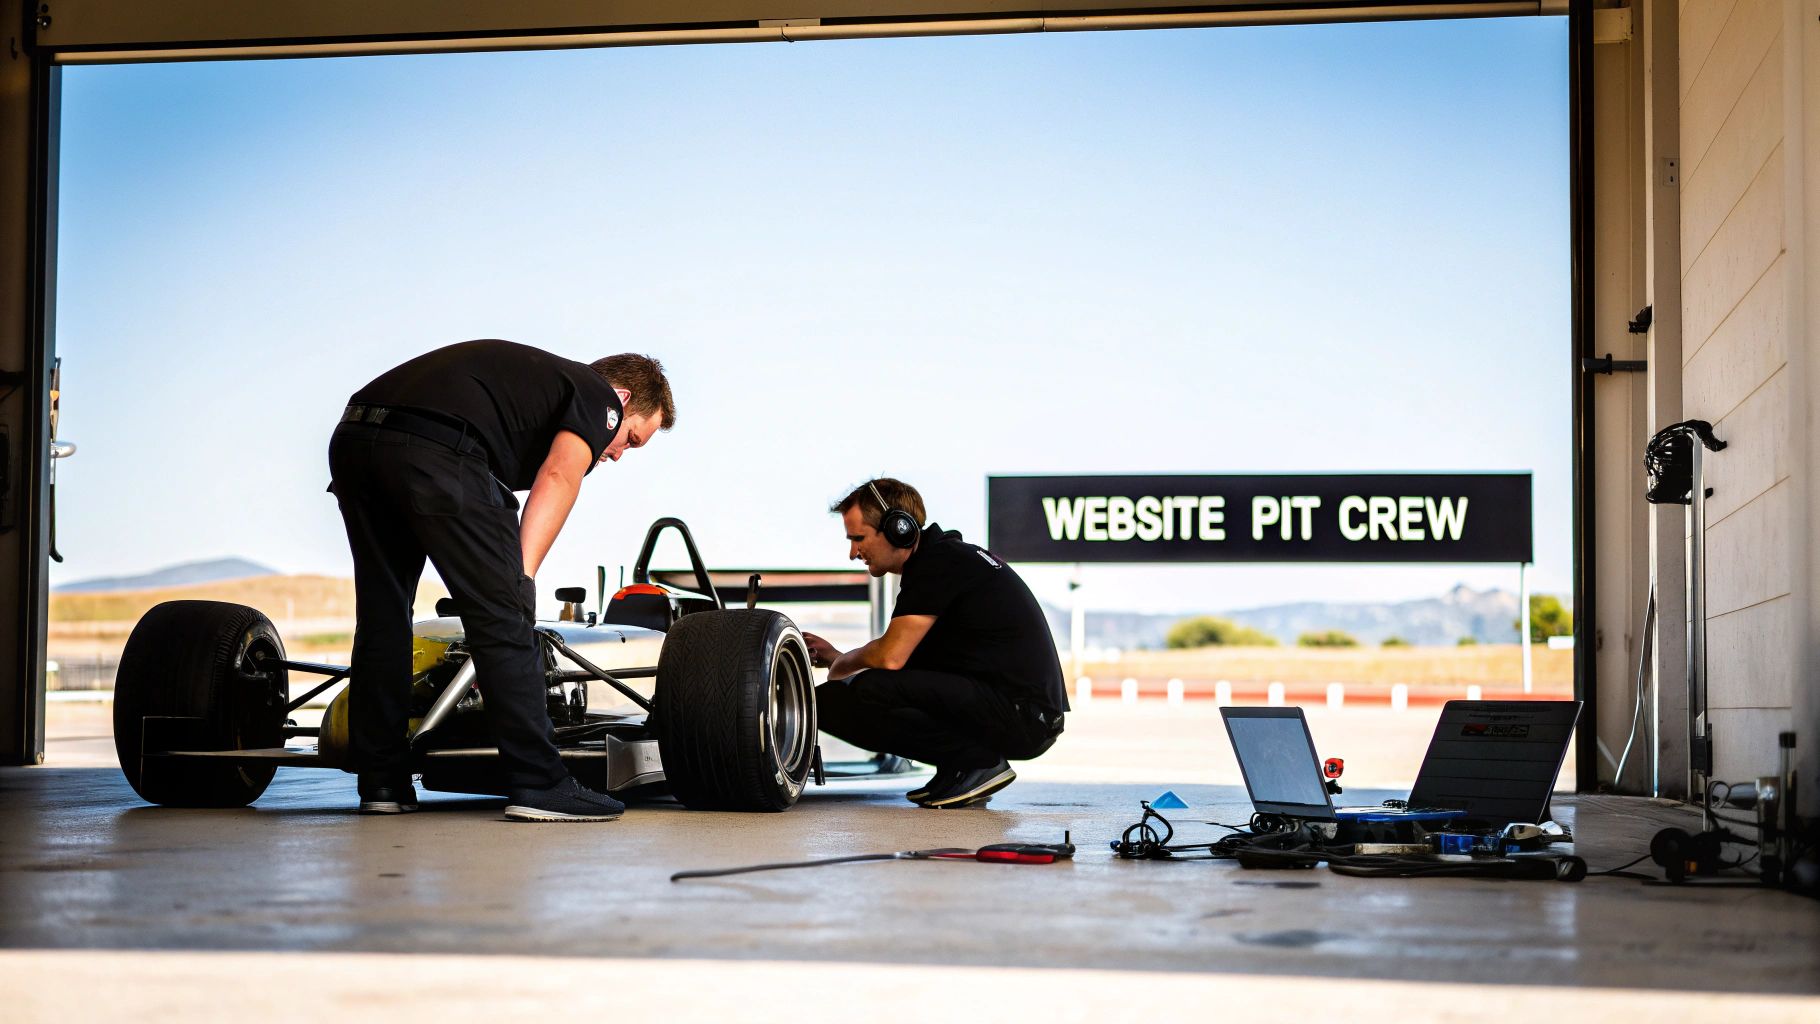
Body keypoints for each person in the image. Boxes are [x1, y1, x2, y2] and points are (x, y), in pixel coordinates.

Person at [328, 339, 674, 821]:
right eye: (631, 440)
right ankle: (540, 784)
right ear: (622, 399)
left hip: (355, 442)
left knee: (384, 616)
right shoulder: (598, 396)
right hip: (435, 449)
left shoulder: (538, 386)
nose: (617, 455)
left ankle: (383, 781)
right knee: (503, 615)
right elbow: (559, 476)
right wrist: (520, 580)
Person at [803, 478, 1067, 808]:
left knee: (846, 696)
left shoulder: (937, 564)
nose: (854, 552)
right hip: (1023, 713)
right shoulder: (943, 559)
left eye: (859, 538)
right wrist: (839, 657)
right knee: (845, 693)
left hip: (1023, 718)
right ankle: (958, 767)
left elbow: (891, 657)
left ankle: (976, 763)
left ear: (898, 529)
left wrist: (844, 662)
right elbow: (910, 662)